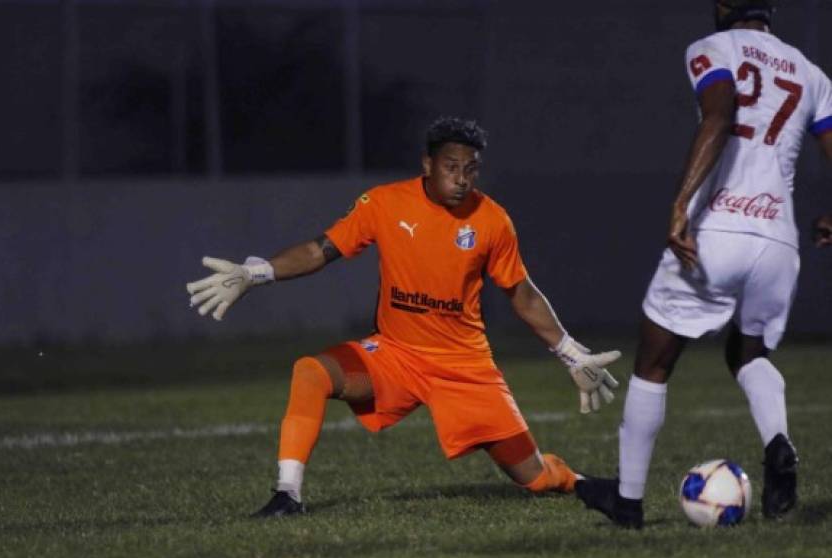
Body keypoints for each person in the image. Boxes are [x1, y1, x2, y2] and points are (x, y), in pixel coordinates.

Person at [186, 117, 621, 518]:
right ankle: (288, 495)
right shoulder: (384, 203)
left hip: (464, 367)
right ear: (427, 164)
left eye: (471, 169)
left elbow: (521, 293)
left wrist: (569, 352)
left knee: (535, 478)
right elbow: (321, 250)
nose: (462, 178)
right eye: (452, 166)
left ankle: (584, 484)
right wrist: (255, 272)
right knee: (312, 372)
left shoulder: (493, 220)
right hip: (395, 354)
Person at [577, 0, 832, 529]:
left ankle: (627, 501)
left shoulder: (712, 48)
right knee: (748, 351)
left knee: (654, 361)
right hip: (779, 241)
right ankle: (779, 443)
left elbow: (719, 115)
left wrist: (679, 202)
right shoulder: (811, 72)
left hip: (718, 230)